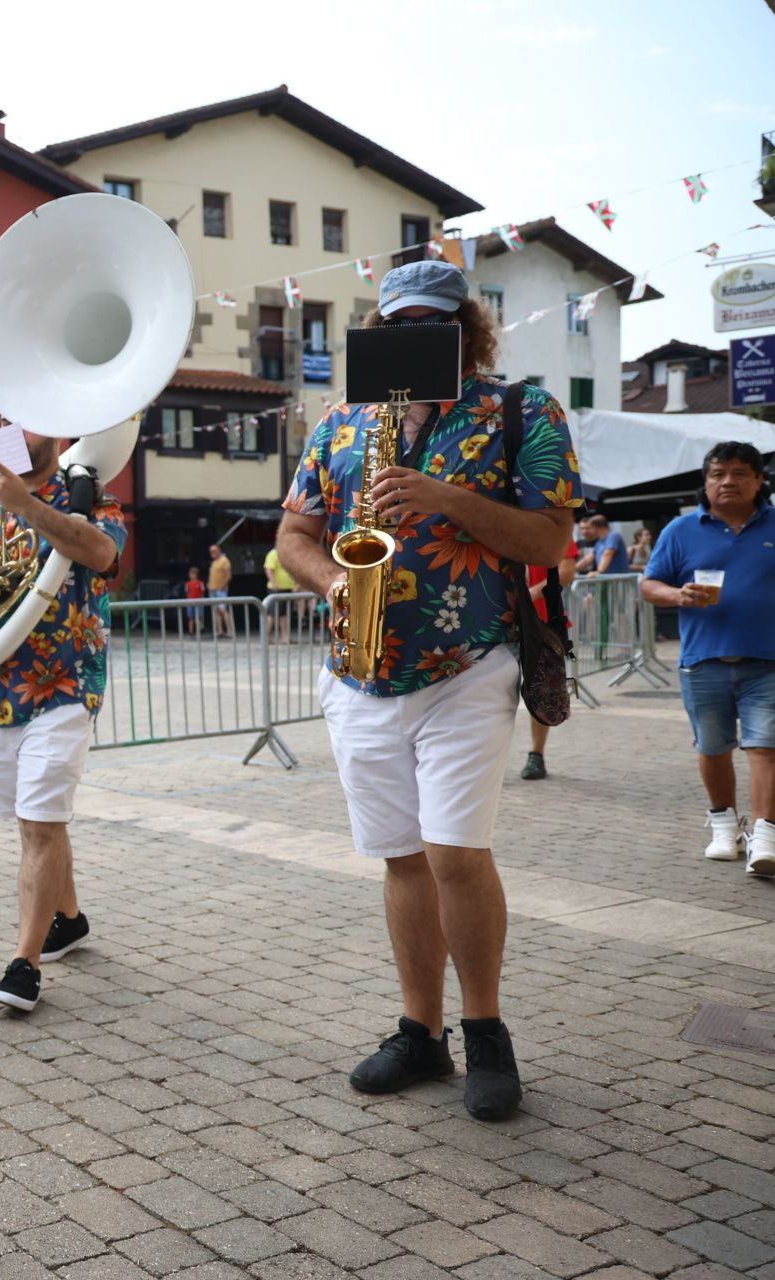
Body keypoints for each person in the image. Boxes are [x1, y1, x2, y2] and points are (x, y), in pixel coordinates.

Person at [274, 260, 579, 1123]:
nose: (417, 335)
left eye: (433, 322)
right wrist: (333, 579)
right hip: (358, 669)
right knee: (402, 858)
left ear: (464, 328)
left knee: (455, 852)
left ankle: (486, 1032)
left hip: (469, 663)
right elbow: (295, 531)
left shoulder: (522, 410)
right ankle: (421, 1031)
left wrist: (443, 498)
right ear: (384, 329)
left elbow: (550, 537)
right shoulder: (340, 423)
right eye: (400, 322)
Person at [0, 430, 123, 1014]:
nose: (16, 430)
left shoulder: (92, 496)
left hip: (66, 685)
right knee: (34, 822)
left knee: (40, 822)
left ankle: (25, 964)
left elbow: (102, 553)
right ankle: (69, 919)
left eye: (31, 421)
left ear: (58, 430)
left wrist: (27, 506)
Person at [640, 442, 775, 872]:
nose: (727, 481)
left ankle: (766, 835)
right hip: (703, 659)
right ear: (706, 481)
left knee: (766, 747)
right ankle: (723, 826)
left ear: (759, 481)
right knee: (713, 747)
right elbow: (649, 585)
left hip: (768, 660)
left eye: (739, 473)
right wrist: (677, 594)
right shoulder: (680, 530)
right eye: (718, 474)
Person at [520, 540, 577, 780]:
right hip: (499, 624)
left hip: (542, 623)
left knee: (542, 689)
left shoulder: (550, 518)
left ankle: (536, 754)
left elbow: (566, 572)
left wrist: (532, 593)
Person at [263, 544, 299, 643]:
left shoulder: (288, 555)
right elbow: (269, 569)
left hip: (288, 588)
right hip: (277, 589)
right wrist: (274, 583)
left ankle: (285, 637)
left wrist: (296, 584)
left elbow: (295, 570)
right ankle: (265, 637)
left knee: (284, 614)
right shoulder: (273, 554)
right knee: (273, 613)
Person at [207, 543, 234, 637]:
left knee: (223, 610)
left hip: (220, 590)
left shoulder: (224, 561)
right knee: (216, 610)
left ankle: (230, 631)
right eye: (211, 551)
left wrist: (223, 586)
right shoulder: (214, 562)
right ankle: (220, 631)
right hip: (213, 589)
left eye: (214, 551)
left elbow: (228, 575)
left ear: (219, 550)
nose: (212, 553)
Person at [184, 565, 206, 636]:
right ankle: (191, 631)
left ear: (197, 574)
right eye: (191, 574)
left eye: (194, 574)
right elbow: (187, 592)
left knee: (200, 616)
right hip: (190, 602)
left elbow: (202, 592)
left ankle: (200, 629)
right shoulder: (187, 584)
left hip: (199, 601)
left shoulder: (200, 583)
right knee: (190, 617)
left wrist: (201, 600)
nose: (192, 575)